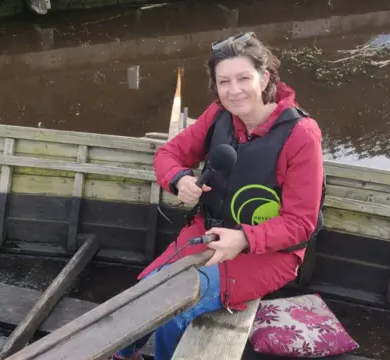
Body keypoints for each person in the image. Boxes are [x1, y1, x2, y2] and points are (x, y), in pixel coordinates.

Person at [111, 32, 325, 360]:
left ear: (265, 77)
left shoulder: (301, 135)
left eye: (243, 78)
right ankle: (122, 356)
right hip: (207, 233)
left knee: (174, 311)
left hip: (268, 254)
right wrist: (179, 178)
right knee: (141, 297)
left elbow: (301, 224)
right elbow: (169, 154)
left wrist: (242, 239)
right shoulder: (218, 115)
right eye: (224, 81)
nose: (234, 90)